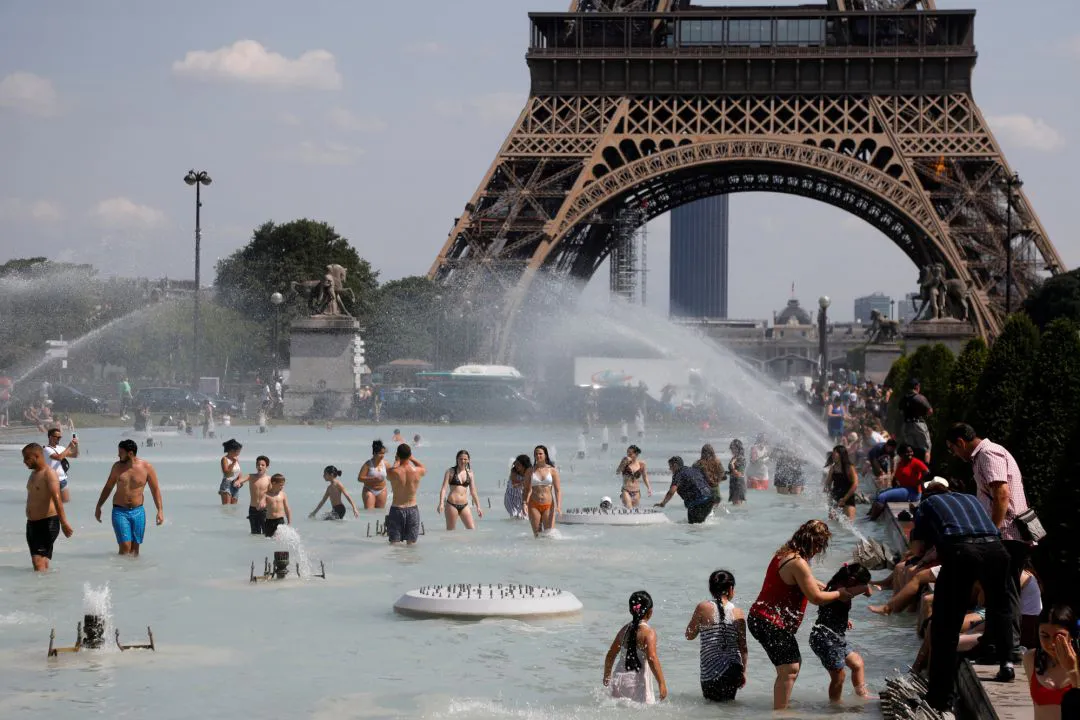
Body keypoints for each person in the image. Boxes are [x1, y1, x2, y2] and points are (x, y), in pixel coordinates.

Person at [906, 478, 1013, 711]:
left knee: (945, 625)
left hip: (962, 551)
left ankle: (940, 697)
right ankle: (1007, 663)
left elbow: (917, 548)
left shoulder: (927, 505)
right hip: (997, 549)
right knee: (1000, 607)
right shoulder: (970, 498)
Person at [749, 520, 862, 710]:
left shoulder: (785, 554)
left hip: (761, 618)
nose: (818, 551)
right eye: (818, 546)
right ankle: (780, 713)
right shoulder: (798, 562)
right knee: (790, 668)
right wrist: (839, 594)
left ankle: (781, 705)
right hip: (768, 621)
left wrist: (834, 600)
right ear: (812, 542)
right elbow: (816, 598)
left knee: (790, 666)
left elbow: (809, 581)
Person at [947, 423, 1032, 665]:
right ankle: (993, 645)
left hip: (1006, 535)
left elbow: (1002, 494)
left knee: (1005, 591)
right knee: (997, 591)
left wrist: (991, 532)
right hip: (1005, 535)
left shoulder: (988, 454)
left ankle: (1009, 648)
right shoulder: (985, 455)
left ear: (961, 442)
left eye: (953, 448)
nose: (955, 454)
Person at [809, 563, 874, 702]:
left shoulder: (837, 586)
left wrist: (844, 620)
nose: (863, 586)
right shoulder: (840, 590)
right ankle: (835, 706)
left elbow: (831, 609)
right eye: (862, 583)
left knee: (857, 663)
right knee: (839, 676)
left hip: (834, 636)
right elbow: (863, 591)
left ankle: (862, 695)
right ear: (852, 580)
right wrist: (865, 588)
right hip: (825, 637)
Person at [685, 570, 748, 702]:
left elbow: (689, 635)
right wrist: (744, 672)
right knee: (728, 706)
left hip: (711, 671)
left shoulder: (703, 607)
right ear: (731, 589)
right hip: (734, 669)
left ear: (711, 589)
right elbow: (743, 647)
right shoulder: (739, 613)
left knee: (712, 707)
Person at [94, 439, 164, 556]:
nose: (118, 455)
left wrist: (160, 510)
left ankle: (131, 569)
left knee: (135, 551)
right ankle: (120, 566)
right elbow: (108, 487)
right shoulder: (117, 467)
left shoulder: (146, 467)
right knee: (125, 548)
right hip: (120, 511)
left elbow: (155, 489)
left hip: (138, 512)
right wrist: (99, 506)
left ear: (130, 453)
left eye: (121, 453)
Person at [603, 591, 667, 704]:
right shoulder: (648, 633)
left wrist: (607, 677)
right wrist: (662, 684)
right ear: (650, 612)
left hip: (618, 681)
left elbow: (610, 655)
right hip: (636, 684)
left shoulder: (624, 630)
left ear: (630, 610)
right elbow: (652, 658)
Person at [23, 443, 74, 571]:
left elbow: (57, 499)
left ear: (37, 456)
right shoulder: (34, 474)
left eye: (27, 458)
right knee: (41, 561)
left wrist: (64, 523)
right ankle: (48, 583)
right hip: (32, 524)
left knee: (38, 561)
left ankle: (40, 584)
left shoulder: (49, 473)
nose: (24, 461)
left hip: (47, 523)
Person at [1024, 605, 1077, 720]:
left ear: (1071, 635)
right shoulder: (1031, 658)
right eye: (1045, 636)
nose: (1051, 644)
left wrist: (1072, 671)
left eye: (1059, 637)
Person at [867, 444, 929, 520]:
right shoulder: (901, 463)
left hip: (913, 492)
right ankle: (868, 517)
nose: (910, 454)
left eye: (911, 451)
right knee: (879, 494)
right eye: (907, 452)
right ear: (901, 454)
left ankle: (872, 520)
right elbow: (896, 478)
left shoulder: (915, 462)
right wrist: (893, 488)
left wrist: (919, 482)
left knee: (882, 497)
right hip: (904, 489)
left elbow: (927, 472)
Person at [385, 443, 425, 545]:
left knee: (394, 544)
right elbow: (422, 467)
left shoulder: (393, 472)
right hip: (412, 509)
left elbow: (389, 475)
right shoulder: (418, 471)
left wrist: (396, 461)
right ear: (410, 455)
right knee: (411, 545)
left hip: (397, 509)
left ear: (397, 455)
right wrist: (412, 458)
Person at [656, 456, 714, 524]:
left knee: (693, 527)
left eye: (670, 467)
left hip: (697, 503)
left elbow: (671, 491)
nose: (670, 469)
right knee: (700, 524)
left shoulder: (678, 474)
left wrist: (663, 503)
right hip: (710, 499)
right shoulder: (693, 470)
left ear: (675, 465)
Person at [438, 449, 483, 530]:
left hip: (465, 505)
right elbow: (444, 489)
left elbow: (473, 491)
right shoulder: (450, 471)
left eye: (465, 459)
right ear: (457, 459)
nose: (463, 461)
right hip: (452, 504)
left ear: (468, 460)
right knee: (451, 531)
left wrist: (478, 507)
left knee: (472, 529)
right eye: (460, 459)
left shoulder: (470, 473)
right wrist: (441, 503)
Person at [523, 445, 561, 537]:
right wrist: (524, 503)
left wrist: (559, 506)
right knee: (537, 535)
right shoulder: (530, 471)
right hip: (534, 505)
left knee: (549, 534)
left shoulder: (552, 470)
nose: (538, 456)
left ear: (545, 455)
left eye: (540, 454)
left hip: (548, 505)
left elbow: (558, 490)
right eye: (536, 454)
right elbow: (526, 489)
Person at [234, 455, 271, 534]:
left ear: (267, 467)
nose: (260, 466)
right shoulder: (251, 476)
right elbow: (240, 480)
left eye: (262, 465)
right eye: (258, 465)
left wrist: (264, 501)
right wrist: (237, 483)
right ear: (256, 466)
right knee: (254, 533)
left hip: (265, 509)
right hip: (253, 509)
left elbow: (271, 494)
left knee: (266, 533)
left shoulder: (269, 479)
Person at [900, 378, 934, 463]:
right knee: (927, 449)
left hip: (906, 425)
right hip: (918, 424)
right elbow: (930, 411)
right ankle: (926, 468)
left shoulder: (903, 399)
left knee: (911, 450)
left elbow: (901, 411)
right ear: (917, 386)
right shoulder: (919, 398)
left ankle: (912, 468)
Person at [823, 445, 859, 521]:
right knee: (833, 523)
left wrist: (844, 499)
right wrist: (828, 494)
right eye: (832, 453)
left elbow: (855, 484)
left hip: (848, 497)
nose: (832, 455)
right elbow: (828, 483)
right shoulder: (833, 468)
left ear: (841, 454)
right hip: (835, 496)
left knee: (849, 524)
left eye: (834, 453)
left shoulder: (850, 467)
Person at [44, 425, 78, 504]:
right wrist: (69, 446)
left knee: (65, 502)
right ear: (50, 437)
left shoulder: (61, 448)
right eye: (57, 437)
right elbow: (59, 457)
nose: (59, 439)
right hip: (51, 481)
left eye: (60, 437)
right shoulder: (46, 449)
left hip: (62, 479)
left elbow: (75, 455)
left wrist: (76, 445)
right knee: (51, 503)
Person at [358, 440, 389, 509]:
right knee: (369, 511)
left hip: (382, 489)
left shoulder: (386, 464)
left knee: (380, 512)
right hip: (369, 490)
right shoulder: (368, 464)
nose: (382, 456)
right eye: (380, 453)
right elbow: (360, 478)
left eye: (383, 453)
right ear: (374, 453)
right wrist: (373, 479)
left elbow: (391, 476)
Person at [503, 454, 530, 519]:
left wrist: (526, 502)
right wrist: (524, 481)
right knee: (514, 516)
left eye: (518, 465)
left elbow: (529, 489)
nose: (516, 466)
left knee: (524, 517)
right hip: (510, 496)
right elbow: (514, 484)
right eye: (516, 464)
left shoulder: (529, 473)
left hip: (521, 497)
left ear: (524, 465)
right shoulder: (514, 471)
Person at [218, 439, 243, 506]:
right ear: (232, 450)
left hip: (235, 484)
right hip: (227, 484)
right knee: (227, 507)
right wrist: (233, 463)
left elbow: (239, 472)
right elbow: (226, 473)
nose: (239, 453)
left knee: (234, 507)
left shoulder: (236, 459)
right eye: (238, 451)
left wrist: (240, 481)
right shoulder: (225, 459)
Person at [728, 439, 747, 505]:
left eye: (734, 448)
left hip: (738, 484)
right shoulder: (734, 458)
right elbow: (732, 472)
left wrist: (732, 465)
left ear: (739, 448)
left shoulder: (741, 458)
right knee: (734, 504)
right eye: (731, 448)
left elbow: (739, 474)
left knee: (737, 504)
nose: (732, 450)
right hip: (733, 483)